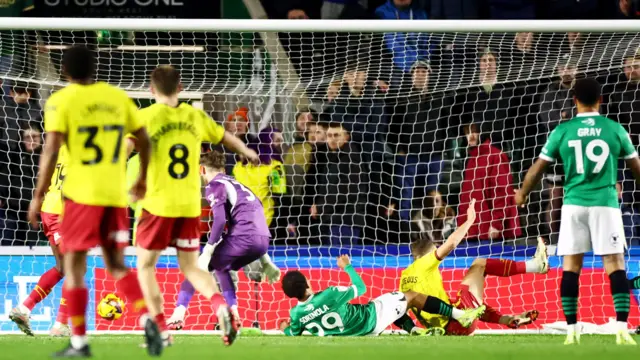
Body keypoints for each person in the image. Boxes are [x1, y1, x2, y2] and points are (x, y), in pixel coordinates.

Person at [26, 45, 155, 357]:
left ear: (65, 72)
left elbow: (51, 149)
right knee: (117, 265)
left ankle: (79, 342)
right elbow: (144, 141)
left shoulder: (60, 101)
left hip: (80, 196)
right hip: (113, 197)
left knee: (73, 267)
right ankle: (149, 318)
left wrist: (38, 195)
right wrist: (140, 180)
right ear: (94, 69)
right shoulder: (118, 99)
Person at [133, 65, 260, 348]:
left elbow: (125, 149)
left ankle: (163, 330)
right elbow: (225, 137)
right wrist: (246, 150)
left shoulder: (144, 116)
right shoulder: (195, 115)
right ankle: (220, 307)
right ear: (180, 89)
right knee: (191, 266)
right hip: (190, 205)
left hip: (157, 204)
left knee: (144, 266)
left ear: (151, 90)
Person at [516, 78, 640, 345]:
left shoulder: (564, 130)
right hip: (605, 204)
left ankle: (571, 330)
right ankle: (621, 327)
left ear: (574, 101)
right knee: (615, 265)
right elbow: (635, 166)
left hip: (573, 205)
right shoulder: (614, 129)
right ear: (601, 100)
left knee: (571, 268)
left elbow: (538, 168)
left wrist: (522, 193)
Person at [166, 151, 281, 331]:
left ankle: (177, 316)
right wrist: (266, 260)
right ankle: (233, 313)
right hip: (263, 240)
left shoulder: (215, 185)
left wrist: (208, 250)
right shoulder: (239, 185)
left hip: (243, 237)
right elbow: (254, 219)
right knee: (221, 267)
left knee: (195, 270)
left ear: (201, 169)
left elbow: (219, 220)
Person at [279, 253, 486, 337]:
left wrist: (284, 328)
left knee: (394, 303)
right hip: (369, 320)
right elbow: (360, 288)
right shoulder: (330, 295)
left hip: (358, 333)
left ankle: (414, 330)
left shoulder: (296, 314)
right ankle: (460, 315)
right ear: (307, 282)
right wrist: (348, 267)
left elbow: (292, 333)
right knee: (411, 295)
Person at [400, 229, 549, 335]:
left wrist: (413, 330)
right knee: (479, 264)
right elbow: (451, 243)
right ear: (426, 256)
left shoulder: (404, 278)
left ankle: (508, 319)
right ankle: (536, 265)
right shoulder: (426, 264)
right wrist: (470, 219)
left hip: (449, 330)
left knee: (466, 303)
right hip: (457, 324)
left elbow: (400, 311)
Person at [9, 143, 69, 337]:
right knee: (75, 268)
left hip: (50, 208)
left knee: (63, 268)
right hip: (64, 213)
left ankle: (24, 308)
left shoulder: (63, 146)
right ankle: (61, 324)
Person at [232, 126, 286, 229]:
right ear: (267, 141)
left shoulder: (238, 167)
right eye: (278, 141)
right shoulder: (276, 167)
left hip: (240, 223)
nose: (281, 145)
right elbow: (280, 196)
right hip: (265, 223)